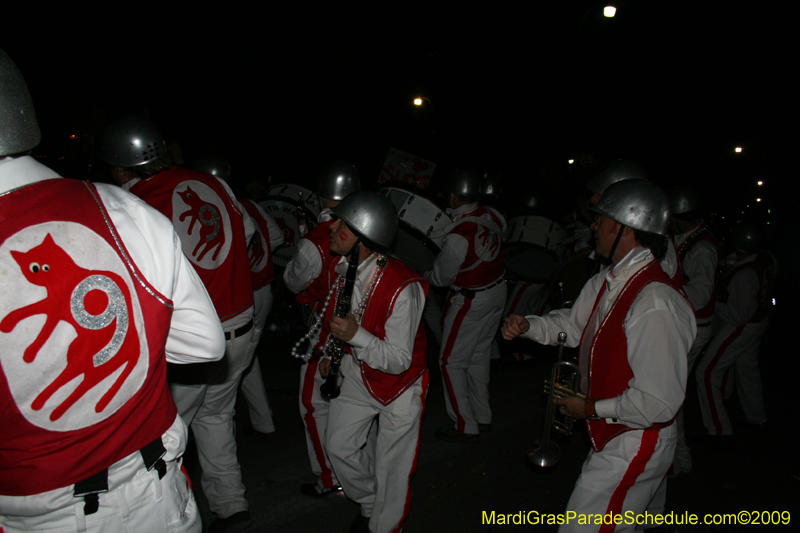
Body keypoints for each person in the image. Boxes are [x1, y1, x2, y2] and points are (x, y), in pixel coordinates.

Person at [0, 47, 224, 532]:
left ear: (120, 163)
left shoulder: (140, 200)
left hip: (42, 516)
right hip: (159, 492)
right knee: (217, 422)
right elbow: (206, 341)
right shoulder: (131, 207)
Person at [503, 179, 696, 532]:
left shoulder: (653, 302)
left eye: (601, 218)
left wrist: (588, 408)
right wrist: (528, 326)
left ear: (625, 228)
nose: (593, 226)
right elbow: (574, 327)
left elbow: (657, 403)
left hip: (636, 438)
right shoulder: (611, 278)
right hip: (622, 430)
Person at [98, 117, 257, 533]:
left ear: (119, 168)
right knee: (216, 417)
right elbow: (253, 231)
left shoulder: (130, 204)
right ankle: (231, 503)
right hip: (240, 324)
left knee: (164, 438)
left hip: (190, 340)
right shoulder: (214, 183)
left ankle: (167, 521)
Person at [316, 191, 428, 533]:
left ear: (363, 240)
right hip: (359, 373)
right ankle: (368, 504)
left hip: (400, 387)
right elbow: (339, 324)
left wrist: (355, 336)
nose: (332, 227)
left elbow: (397, 361)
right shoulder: (346, 268)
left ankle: (384, 526)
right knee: (338, 446)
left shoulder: (402, 287)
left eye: (342, 225)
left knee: (391, 469)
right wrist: (328, 354)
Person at [193, 155, 284, 439]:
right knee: (246, 356)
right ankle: (263, 421)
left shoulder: (214, 209)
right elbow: (278, 237)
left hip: (239, 295)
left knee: (238, 359)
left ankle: (254, 421)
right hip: (263, 291)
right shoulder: (249, 205)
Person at [283, 162, 359, 498]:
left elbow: (293, 280)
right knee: (353, 404)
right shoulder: (371, 228)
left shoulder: (316, 240)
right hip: (363, 326)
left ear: (323, 199)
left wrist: (304, 240)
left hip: (328, 329)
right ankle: (358, 470)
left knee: (313, 405)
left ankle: (331, 478)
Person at [426, 168, 506, 443]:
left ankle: (465, 424)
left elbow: (442, 277)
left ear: (455, 197)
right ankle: (482, 417)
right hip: (497, 292)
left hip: (471, 299)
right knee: (478, 356)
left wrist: (422, 274)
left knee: (449, 362)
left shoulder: (460, 234)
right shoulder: (494, 216)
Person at [695, 221, 775, 443]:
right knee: (747, 369)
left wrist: (715, 303)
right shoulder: (765, 258)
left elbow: (737, 315)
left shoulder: (744, 276)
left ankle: (718, 430)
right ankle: (756, 418)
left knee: (707, 372)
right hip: (759, 320)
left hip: (742, 325)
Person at [668, 185, 719, 474]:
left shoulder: (701, 247)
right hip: (690, 326)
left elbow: (700, 294)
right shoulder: (688, 238)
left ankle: (680, 458)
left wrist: (664, 292)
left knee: (672, 392)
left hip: (693, 329)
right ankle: (679, 458)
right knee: (673, 390)